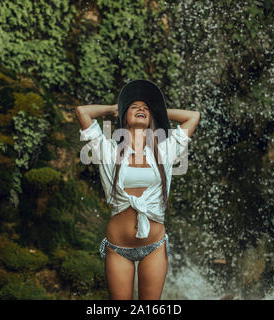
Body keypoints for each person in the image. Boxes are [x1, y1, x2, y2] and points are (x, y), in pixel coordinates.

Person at [76, 79, 200, 300]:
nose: (141, 108)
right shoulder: (107, 151)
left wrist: (159, 110)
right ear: (124, 116)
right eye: (134, 107)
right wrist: (114, 108)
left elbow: (193, 117)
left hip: (154, 247)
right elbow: (83, 112)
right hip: (117, 248)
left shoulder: (165, 150)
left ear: (152, 116)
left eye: (145, 107)